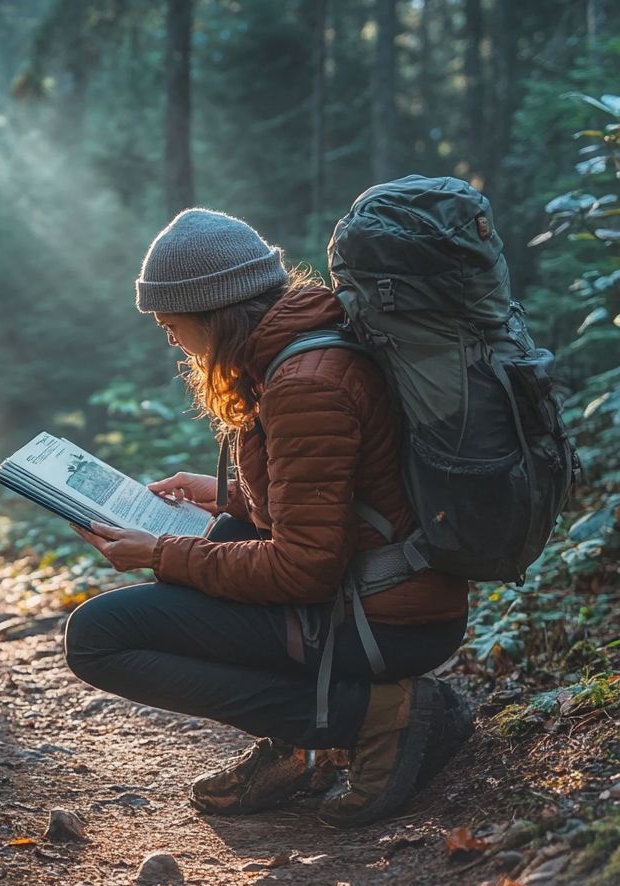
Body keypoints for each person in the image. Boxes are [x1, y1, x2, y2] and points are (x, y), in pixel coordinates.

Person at [64, 208, 475, 828]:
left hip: (389, 620)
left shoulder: (306, 382)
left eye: (173, 324)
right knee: (227, 534)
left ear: (215, 312)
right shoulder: (298, 347)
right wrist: (225, 496)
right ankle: (305, 742)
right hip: (380, 596)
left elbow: (304, 568)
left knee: (98, 638)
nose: (172, 340)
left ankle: (374, 717)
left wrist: (157, 553)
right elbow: (334, 496)